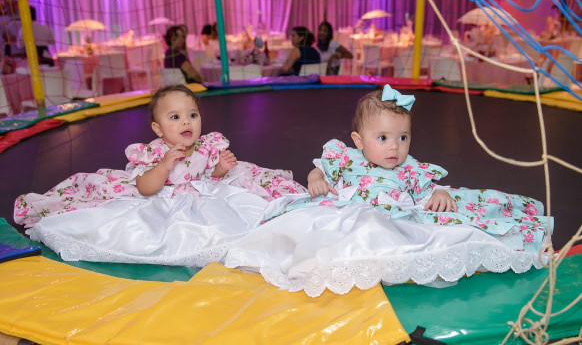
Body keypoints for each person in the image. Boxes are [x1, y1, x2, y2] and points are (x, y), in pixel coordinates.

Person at [220, 84, 552, 296]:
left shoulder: (409, 168)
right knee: (305, 232)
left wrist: (439, 195)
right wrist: (315, 178)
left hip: (391, 219)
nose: (394, 147)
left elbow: (427, 189)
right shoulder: (345, 158)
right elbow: (319, 170)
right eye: (383, 138)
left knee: (445, 228)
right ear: (359, 140)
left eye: (402, 137)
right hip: (344, 212)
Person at [15, 85, 307, 228]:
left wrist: (220, 168)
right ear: (158, 128)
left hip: (200, 192)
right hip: (164, 195)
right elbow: (145, 188)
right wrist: (164, 165)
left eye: (192, 115)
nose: (186, 122)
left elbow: (209, 177)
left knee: (253, 185)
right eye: (175, 117)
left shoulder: (207, 145)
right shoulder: (154, 152)